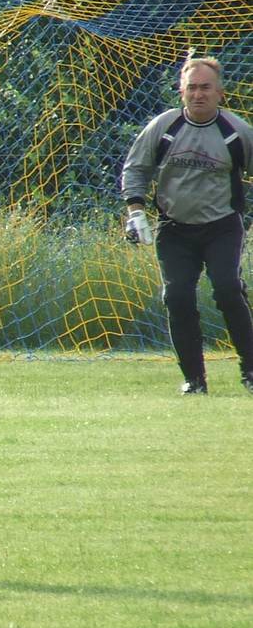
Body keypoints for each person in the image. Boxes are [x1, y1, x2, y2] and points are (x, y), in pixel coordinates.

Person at [120, 54, 253, 395]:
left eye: (205, 88)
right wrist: (136, 212)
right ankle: (194, 380)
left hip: (222, 226)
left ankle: (251, 371)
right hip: (174, 228)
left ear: (220, 92)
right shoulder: (164, 127)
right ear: (181, 91)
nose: (198, 94)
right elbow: (135, 169)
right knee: (177, 296)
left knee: (227, 289)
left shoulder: (237, 132)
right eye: (191, 88)